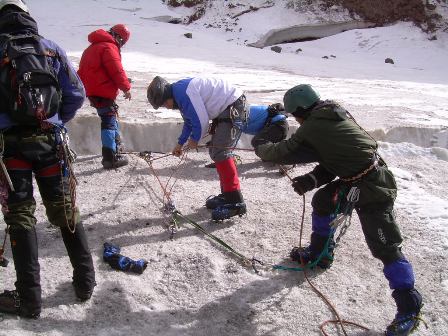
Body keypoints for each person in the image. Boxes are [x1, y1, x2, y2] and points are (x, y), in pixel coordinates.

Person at [251, 84, 423, 336]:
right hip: (360, 178)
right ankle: (320, 253)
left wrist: (260, 146)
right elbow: (335, 157)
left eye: (295, 115)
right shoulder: (332, 113)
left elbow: (282, 152)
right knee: (323, 201)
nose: (296, 120)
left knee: (385, 245)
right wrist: (311, 180)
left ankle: (410, 306)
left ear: (299, 111)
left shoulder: (314, 125)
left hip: (373, 187)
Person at [0, 0, 95, 318]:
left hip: (10, 149)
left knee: (21, 218)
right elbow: (77, 93)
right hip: (51, 142)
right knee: (66, 212)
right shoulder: (50, 48)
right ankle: (85, 282)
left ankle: (29, 299)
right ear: (27, 15)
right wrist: (56, 120)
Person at [147, 76, 248, 221]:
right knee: (216, 152)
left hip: (233, 106)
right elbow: (189, 121)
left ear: (167, 96)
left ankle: (236, 202)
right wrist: (180, 143)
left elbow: (201, 122)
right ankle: (228, 195)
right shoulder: (179, 93)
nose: (167, 107)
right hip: (228, 106)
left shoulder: (183, 93)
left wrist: (194, 139)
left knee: (221, 152)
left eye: (164, 104)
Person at [77, 23, 131, 169]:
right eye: (123, 41)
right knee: (108, 120)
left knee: (109, 117)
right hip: (104, 91)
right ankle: (110, 157)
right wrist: (126, 87)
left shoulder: (91, 47)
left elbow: (83, 71)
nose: (122, 44)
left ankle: (116, 147)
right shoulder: (109, 47)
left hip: (92, 92)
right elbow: (116, 70)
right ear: (119, 37)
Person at [203, 103, 289, 169]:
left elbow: (230, 138)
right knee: (264, 153)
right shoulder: (234, 112)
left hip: (278, 126)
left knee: (257, 142)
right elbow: (229, 137)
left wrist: (221, 154)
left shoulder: (234, 116)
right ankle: (282, 157)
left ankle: (287, 160)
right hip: (278, 126)